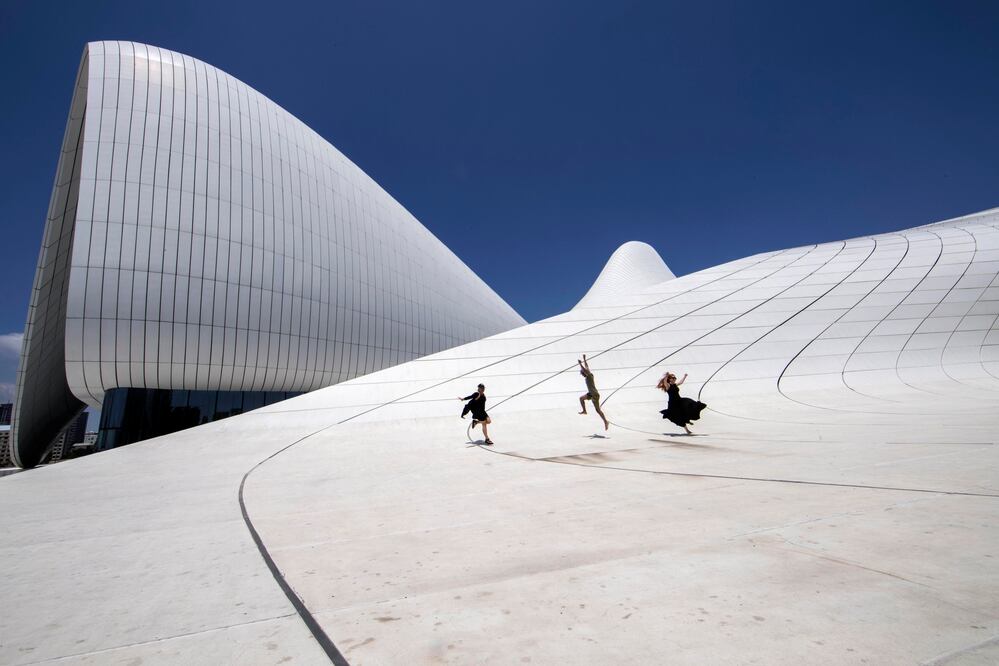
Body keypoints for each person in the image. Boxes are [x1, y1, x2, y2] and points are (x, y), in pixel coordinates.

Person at [578, 354, 609, 431]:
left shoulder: (589, 376)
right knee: (581, 398)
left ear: (584, 373)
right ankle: (585, 411)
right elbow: (587, 366)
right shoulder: (588, 375)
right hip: (591, 394)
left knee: (598, 410)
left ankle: (605, 421)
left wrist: (580, 364)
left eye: (582, 373)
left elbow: (586, 369)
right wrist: (584, 359)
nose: (582, 375)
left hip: (594, 394)